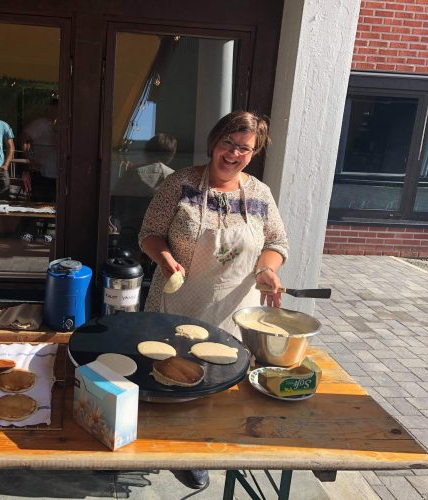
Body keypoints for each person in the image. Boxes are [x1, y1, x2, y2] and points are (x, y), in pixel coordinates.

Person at [138, 111, 289, 490]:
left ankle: (200, 450)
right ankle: (164, 448)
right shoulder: (180, 183)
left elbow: (276, 243)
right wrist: (164, 257)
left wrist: (268, 270)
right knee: (170, 377)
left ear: (253, 153)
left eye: (245, 148)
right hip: (177, 303)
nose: (234, 153)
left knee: (220, 386)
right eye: (228, 143)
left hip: (233, 310)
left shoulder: (259, 194)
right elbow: (149, 233)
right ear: (214, 141)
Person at [21, 98, 58, 202]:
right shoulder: (39, 124)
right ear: (50, 108)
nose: (57, 111)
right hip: (42, 173)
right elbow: (24, 139)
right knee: (40, 203)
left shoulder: (64, 125)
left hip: (58, 173)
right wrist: (30, 159)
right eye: (55, 108)